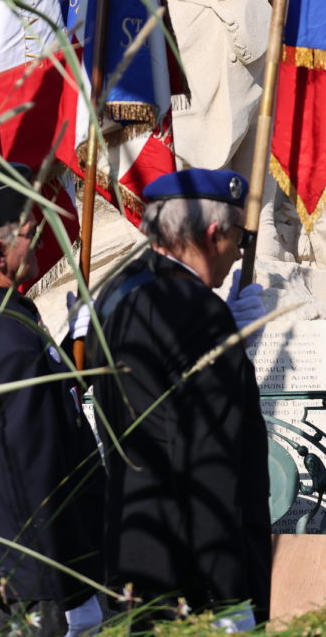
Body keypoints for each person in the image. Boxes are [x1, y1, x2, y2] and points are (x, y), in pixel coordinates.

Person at [83, 168, 270, 629]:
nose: (237, 256)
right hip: (194, 569)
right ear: (213, 234)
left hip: (137, 546)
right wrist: (229, 595)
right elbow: (207, 462)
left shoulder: (117, 290)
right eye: (238, 242)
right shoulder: (200, 313)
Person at [0, 164, 104, 633]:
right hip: (48, 582)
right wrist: (53, 592)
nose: (39, 239)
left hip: (8, 578)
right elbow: (34, 475)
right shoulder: (6, 339)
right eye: (29, 232)